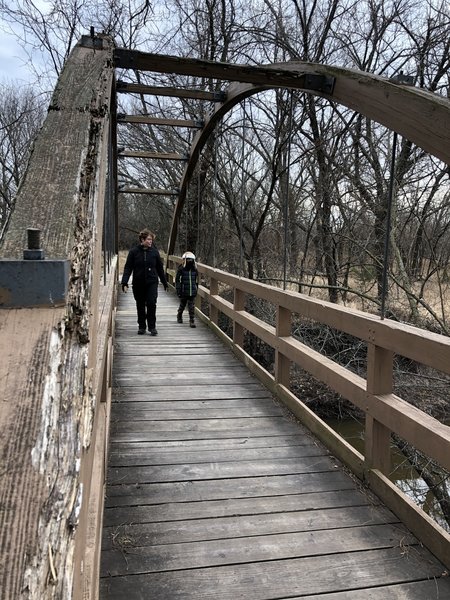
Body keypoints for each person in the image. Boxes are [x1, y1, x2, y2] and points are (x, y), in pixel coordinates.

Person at [121, 229, 168, 335]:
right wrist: (124, 282)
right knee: (140, 304)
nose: (150, 241)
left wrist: (165, 283)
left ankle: (152, 327)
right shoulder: (134, 252)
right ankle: (142, 326)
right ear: (142, 239)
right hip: (138, 283)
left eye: (151, 240)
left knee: (151, 303)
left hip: (152, 282)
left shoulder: (155, 252)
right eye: (148, 239)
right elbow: (128, 268)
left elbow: (160, 269)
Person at [175, 251, 199, 328]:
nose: (190, 261)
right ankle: (179, 315)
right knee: (182, 304)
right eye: (188, 260)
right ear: (185, 260)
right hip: (184, 290)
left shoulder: (195, 269)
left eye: (191, 260)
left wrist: (196, 288)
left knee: (191, 306)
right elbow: (177, 280)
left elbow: (196, 280)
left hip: (192, 290)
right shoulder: (181, 269)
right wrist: (178, 290)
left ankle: (191, 321)